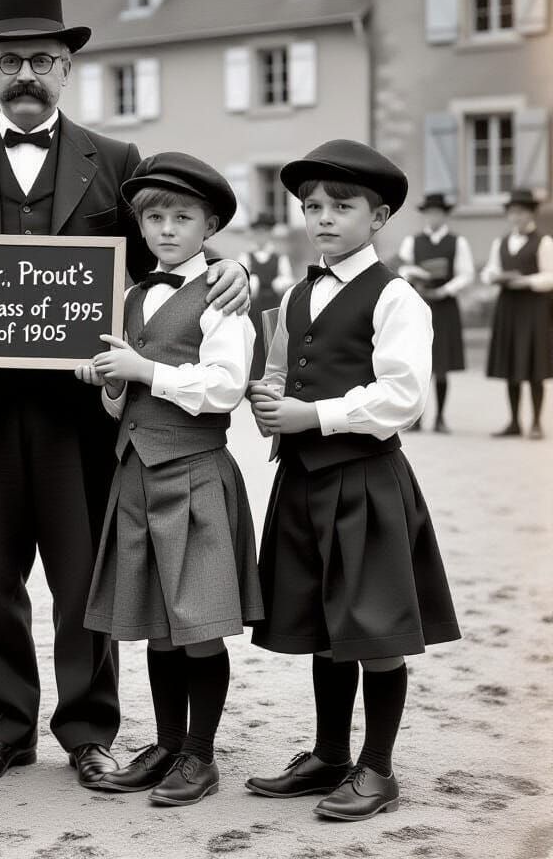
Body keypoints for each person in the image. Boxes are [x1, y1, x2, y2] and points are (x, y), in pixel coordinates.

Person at [0, 0, 250, 788]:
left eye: (44, 61)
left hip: (85, 413)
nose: (27, 73)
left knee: (83, 575)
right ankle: (4, 728)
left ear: (67, 68)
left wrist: (230, 264)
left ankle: (89, 731)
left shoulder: (118, 162)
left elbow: (165, 255)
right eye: (10, 61)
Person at [246, 140, 460, 822]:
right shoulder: (299, 292)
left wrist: (317, 413)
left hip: (365, 481)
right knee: (320, 620)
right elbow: (281, 369)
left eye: (342, 206)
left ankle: (377, 768)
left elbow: (403, 397)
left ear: (379, 216)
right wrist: (271, 405)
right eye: (313, 207)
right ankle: (330, 754)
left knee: (374, 626)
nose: (324, 218)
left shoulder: (397, 296)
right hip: (303, 480)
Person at [75, 153, 263, 806]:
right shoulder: (130, 295)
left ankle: (200, 756)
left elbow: (223, 388)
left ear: (210, 223)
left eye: (183, 216)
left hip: (194, 470)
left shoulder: (224, 292)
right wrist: (110, 382)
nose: (167, 228)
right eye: (154, 216)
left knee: (198, 621)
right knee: (157, 621)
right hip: (136, 470)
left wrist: (143, 370)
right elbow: (123, 399)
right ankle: (165, 741)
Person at [397, 193, 474, 433]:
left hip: (444, 305)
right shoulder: (412, 241)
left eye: (437, 212)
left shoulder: (457, 242)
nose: (433, 217)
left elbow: (467, 273)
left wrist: (446, 289)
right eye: (429, 213)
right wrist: (414, 276)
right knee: (417, 364)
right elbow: (402, 268)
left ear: (444, 215)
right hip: (418, 305)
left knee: (441, 364)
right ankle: (417, 418)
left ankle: (440, 417)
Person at [481, 188, 553, 439]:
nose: (516, 217)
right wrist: (493, 276)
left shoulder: (544, 242)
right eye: (512, 212)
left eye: (521, 212)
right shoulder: (500, 242)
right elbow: (489, 270)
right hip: (508, 307)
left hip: (534, 309)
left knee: (535, 366)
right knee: (511, 364)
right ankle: (514, 422)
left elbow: (550, 276)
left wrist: (526, 281)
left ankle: (535, 423)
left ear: (531, 213)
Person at [239, 212, 294, 380]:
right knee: (253, 341)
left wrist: (281, 282)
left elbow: (289, 279)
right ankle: (253, 377)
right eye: (258, 232)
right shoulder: (246, 257)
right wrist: (250, 284)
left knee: (272, 341)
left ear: (270, 234)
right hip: (254, 307)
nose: (261, 236)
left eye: (264, 232)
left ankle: (272, 378)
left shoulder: (279, 258)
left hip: (272, 305)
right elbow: (240, 281)